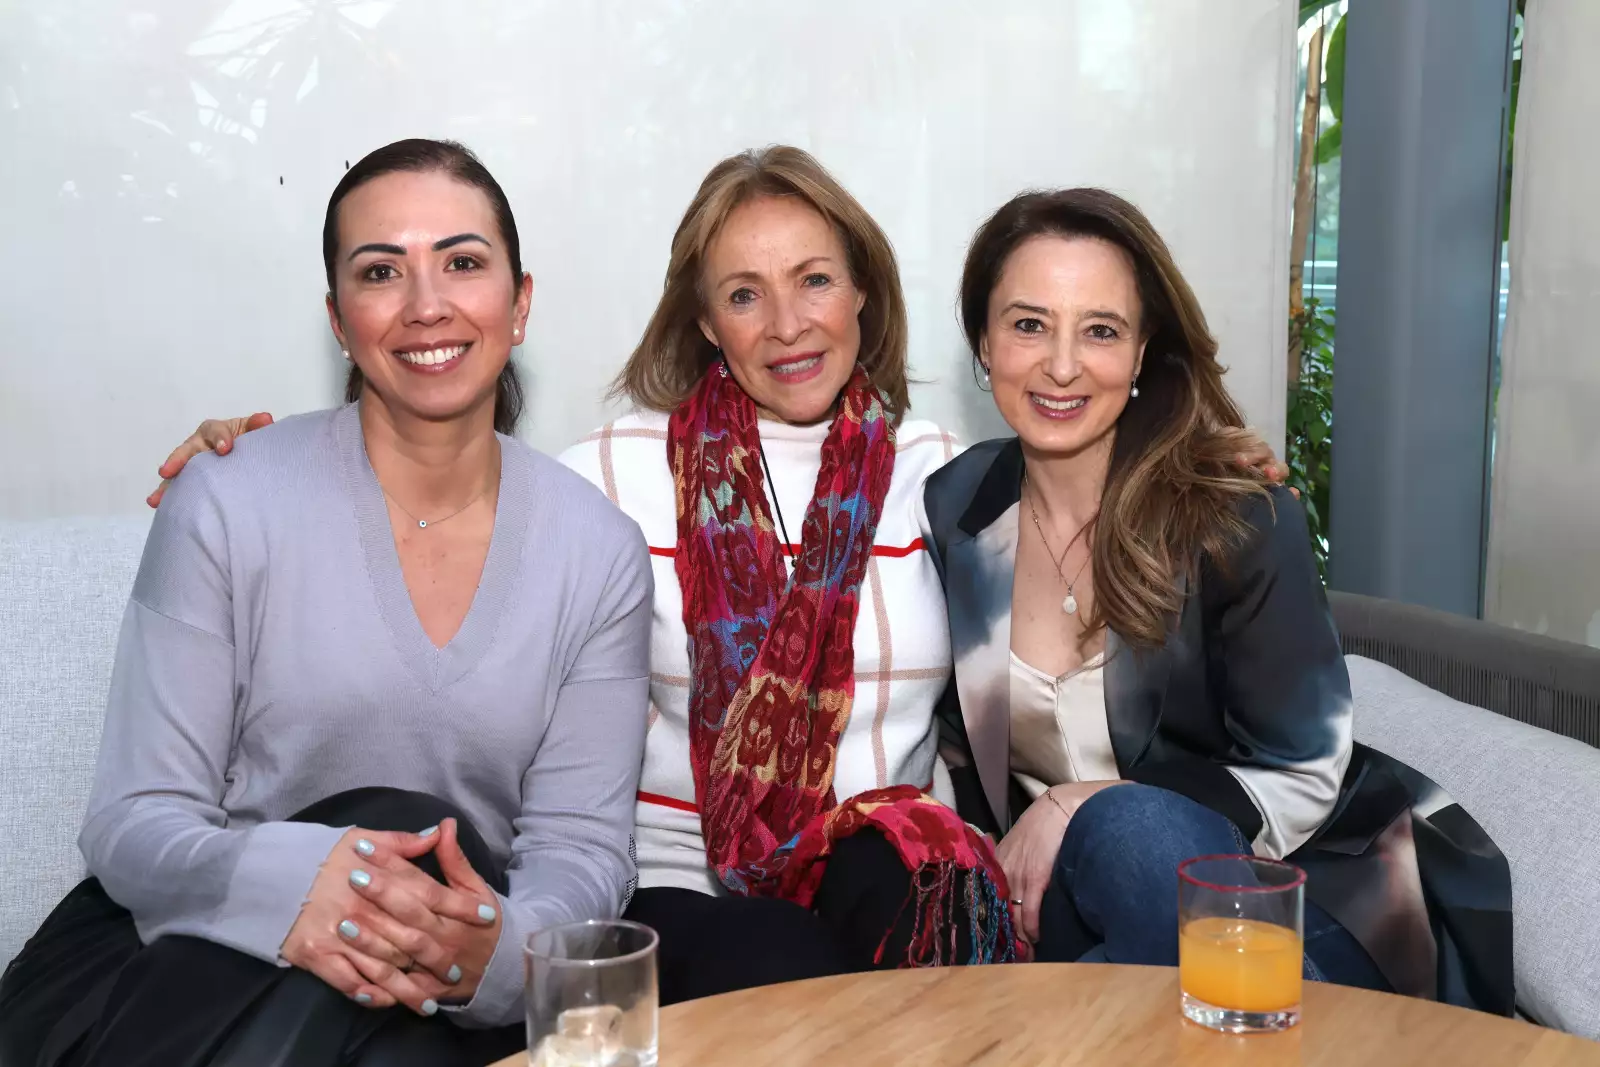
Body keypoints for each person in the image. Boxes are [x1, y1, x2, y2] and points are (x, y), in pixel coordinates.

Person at [133, 148, 1296, 1006]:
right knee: (794, 985)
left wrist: (1204, 457)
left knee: (959, 977)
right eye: (744, 292)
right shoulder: (604, 480)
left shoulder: (946, 480)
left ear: (866, 296)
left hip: (884, 866)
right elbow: (438, 481)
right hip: (673, 882)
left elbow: (1086, 468)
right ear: (705, 319)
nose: (787, 323)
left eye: (815, 281)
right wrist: (251, 458)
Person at [0, 139, 653, 1067]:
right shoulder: (228, 498)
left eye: (463, 263)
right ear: (340, 319)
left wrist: (493, 955)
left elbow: (583, 849)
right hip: (178, 964)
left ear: (521, 300)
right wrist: (306, 881)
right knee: (394, 824)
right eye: (381, 271)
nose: (427, 303)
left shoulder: (599, 553)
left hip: (437, 985)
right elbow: (135, 819)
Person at [919, 187, 1513, 1010]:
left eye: (1100, 330)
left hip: (1303, 899)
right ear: (984, 340)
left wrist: (1084, 802)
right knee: (1047, 996)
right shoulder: (955, 505)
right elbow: (947, 737)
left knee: (1126, 837)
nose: (1061, 364)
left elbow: (1306, 772)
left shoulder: (1235, 516)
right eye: (1028, 324)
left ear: (1140, 352)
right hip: (1085, 912)